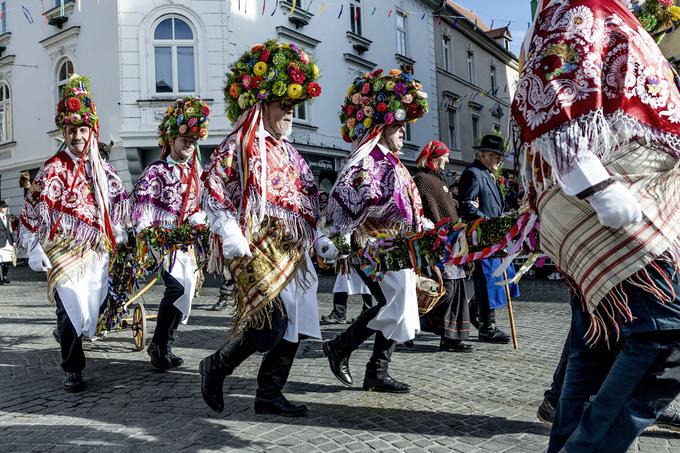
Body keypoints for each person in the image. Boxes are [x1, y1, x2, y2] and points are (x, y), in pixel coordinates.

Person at [512, 1, 680, 450]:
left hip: (632, 200)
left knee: (598, 338)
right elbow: (552, 90)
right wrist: (597, 186)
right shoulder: (583, 6)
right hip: (617, 205)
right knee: (667, 335)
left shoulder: (611, 10)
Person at [199, 40, 330, 417]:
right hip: (254, 245)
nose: (290, 112)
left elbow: (307, 201)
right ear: (260, 105)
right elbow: (213, 188)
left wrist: (319, 238)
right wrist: (228, 231)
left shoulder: (292, 153)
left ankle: (269, 394)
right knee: (269, 323)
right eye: (282, 105)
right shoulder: (239, 144)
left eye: (292, 106)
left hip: (292, 250)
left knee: (296, 323)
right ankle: (217, 365)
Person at [18, 74, 130, 392]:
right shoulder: (52, 167)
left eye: (83, 130)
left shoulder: (103, 170)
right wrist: (34, 247)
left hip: (95, 250)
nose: (78, 136)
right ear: (64, 132)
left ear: (91, 131)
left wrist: (119, 229)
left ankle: (70, 336)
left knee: (89, 312)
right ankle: (73, 368)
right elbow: (32, 208)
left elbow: (120, 203)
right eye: (72, 130)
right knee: (69, 307)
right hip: (62, 248)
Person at [322, 68, 429, 393]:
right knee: (391, 304)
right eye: (397, 127)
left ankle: (375, 370)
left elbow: (407, 204)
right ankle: (341, 347)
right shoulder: (364, 162)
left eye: (402, 127)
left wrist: (424, 228)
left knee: (398, 302)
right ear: (380, 128)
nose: (402, 133)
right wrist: (334, 241)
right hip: (373, 248)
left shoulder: (393, 162)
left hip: (398, 248)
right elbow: (344, 202)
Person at [132, 95, 210, 370]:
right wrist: (149, 233)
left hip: (186, 243)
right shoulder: (156, 171)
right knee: (176, 288)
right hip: (162, 241)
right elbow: (141, 206)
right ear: (171, 141)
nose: (188, 145)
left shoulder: (196, 173)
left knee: (186, 291)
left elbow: (203, 204)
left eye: (192, 141)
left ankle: (165, 343)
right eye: (183, 140)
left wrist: (201, 220)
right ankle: (158, 346)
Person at [458, 134, 519, 344]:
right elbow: (466, 205)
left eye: (500, 156)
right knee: (487, 280)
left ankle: (475, 310)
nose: (499, 160)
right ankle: (487, 327)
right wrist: (486, 221)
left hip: (496, 238)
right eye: (495, 156)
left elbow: (496, 206)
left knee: (498, 279)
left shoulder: (488, 174)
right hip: (482, 237)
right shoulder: (473, 173)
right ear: (482, 154)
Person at [413, 141, 473, 352]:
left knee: (457, 292)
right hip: (439, 244)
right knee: (443, 291)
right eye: (445, 156)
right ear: (435, 157)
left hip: (453, 242)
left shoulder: (439, 181)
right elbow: (422, 211)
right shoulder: (422, 180)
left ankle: (451, 338)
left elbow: (448, 210)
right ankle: (414, 322)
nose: (447, 160)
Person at [0, 200, 14, 285]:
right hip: (0, 241)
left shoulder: (8, 217)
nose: (5, 208)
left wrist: (14, 241)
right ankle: (0, 278)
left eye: (6, 207)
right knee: (0, 261)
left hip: (8, 241)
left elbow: (10, 230)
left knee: (8, 261)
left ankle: (4, 276)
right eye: (4, 207)